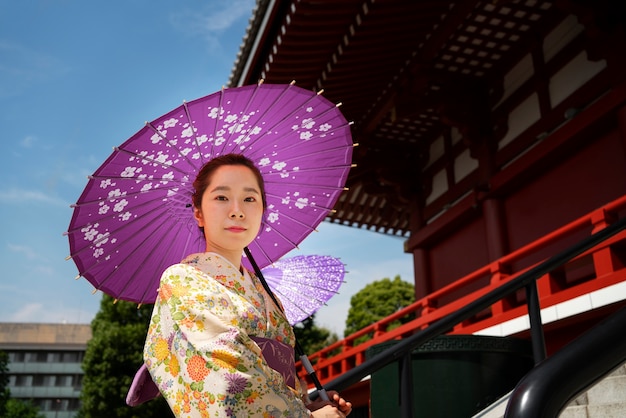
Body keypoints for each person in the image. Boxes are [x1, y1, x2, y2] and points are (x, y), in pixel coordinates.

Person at [142, 153, 352, 417]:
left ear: (262, 210)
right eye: (221, 197)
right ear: (198, 213)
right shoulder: (183, 279)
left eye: (250, 199)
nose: (237, 210)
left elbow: (283, 378)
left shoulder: (266, 292)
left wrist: (309, 403)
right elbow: (229, 377)